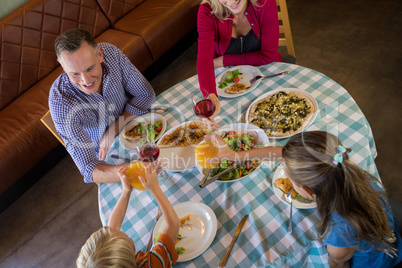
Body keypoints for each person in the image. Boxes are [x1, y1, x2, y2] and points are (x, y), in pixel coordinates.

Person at [205, 131, 402, 267]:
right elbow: (283, 153)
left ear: (306, 191)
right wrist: (236, 156)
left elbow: (339, 263)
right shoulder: (345, 170)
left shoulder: (338, 239)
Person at [49, 29, 155, 184]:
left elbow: (146, 94)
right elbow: (88, 168)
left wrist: (113, 129)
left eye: (90, 68)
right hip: (110, 159)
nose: (85, 81)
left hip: (140, 129)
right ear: (62, 66)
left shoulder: (111, 53)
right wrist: (135, 169)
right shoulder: (60, 101)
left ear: (99, 54)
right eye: (74, 74)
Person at [76, 162, 180, 268]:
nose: (127, 236)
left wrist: (126, 191)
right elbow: (174, 224)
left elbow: (113, 226)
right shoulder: (153, 264)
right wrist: (154, 188)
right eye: (125, 238)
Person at [197, 0, 282, 98]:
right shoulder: (207, 10)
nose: (231, 2)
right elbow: (204, 60)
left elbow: (268, 55)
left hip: (266, 74)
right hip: (226, 86)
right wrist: (211, 98)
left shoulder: (264, 2)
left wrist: (223, 61)